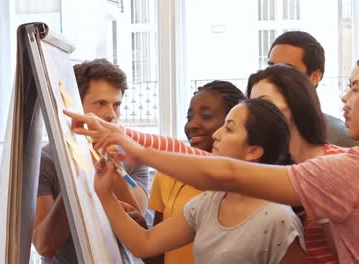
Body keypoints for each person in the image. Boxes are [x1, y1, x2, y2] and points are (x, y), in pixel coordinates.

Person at [69, 46, 359, 262]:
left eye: (356, 88)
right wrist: (126, 143)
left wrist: (136, 147)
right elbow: (215, 170)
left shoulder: (349, 169)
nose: (345, 97)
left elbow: (225, 172)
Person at [94, 99, 305, 263]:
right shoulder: (209, 202)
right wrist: (104, 194)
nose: (217, 134)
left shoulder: (280, 220)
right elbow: (144, 244)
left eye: (229, 129)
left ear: (254, 151)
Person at [32, 59, 149, 264]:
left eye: (116, 105)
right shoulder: (47, 160)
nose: (111, 114)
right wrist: (78, 174)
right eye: (101, 103)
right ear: (74, 105)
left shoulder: (133, 155)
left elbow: (138, 221)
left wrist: (115, 167)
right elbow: (44, 245)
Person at [147, 81, 245, 264]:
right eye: (189, 117)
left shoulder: (248, 182)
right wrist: (138, 225)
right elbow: (155, 254)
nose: (192, 125)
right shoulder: (168, 174)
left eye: (206, 116)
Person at [268, 31, 359, 148]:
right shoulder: (255, 128)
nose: (273, 76)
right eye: (271, 67)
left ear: (315, 77)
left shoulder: (341, 138)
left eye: (286, 70)